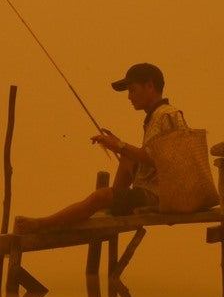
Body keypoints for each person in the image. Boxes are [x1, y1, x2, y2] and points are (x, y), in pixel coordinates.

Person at [13, 63, 181, 233]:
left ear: (150, 86)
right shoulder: (157, 115)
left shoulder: (166, 115)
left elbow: (161, 160)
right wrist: (121, 147)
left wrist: (120, 146)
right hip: (155, 186)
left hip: (160, 195)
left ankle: (42, 224)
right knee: (126, 159)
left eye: (133, 90)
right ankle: (114, 206)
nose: (129, 97)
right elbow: (151, 156)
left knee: (101, 196)